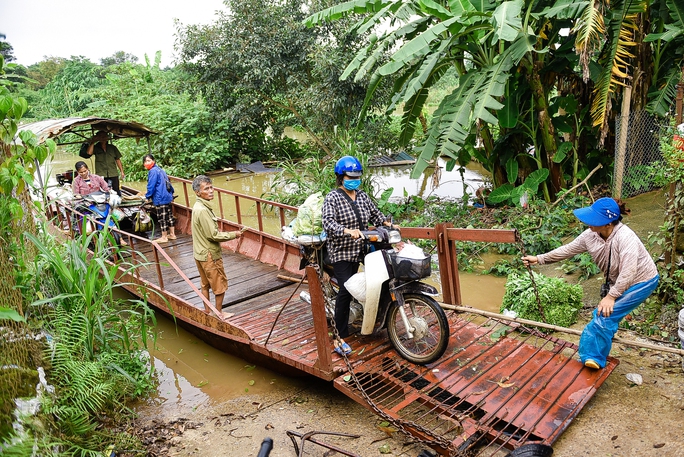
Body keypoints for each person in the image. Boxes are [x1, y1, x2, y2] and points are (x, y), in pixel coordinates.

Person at [522, 197, 659, 370]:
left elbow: (629, 272)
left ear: (609, 223)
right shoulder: (591, 235)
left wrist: (611, 296)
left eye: (594, 220)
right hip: (621, 281)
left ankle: (594, 358)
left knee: (604, 314)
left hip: (642, 281)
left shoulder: (625, 238)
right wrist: (539, 259)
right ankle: (597, 351)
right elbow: (568, 249)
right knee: (605, 314)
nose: (588, 223)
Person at [321, 156, 395, 356]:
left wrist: (387, 223)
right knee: (347, 289)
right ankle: (340, 336)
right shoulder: (332, 198)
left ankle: (380, 318)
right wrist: (346, 230)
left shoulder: (362, 196)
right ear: (340, 177)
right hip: (342, 252)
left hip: (362, 248)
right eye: (350, 176)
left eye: (357, 176)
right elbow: (328, 223)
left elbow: (375, 214)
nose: (354, 180)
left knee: (385, 274)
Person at [191, 175, 245, 312]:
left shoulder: (198, 206)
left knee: (205, 284)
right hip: (209, 255)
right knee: (219, 285)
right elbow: (213, 235)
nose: (211, 191)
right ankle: (219, 314)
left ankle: (208, 312)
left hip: (199, 253)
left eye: (211, 187)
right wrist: (235, 234)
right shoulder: (203, 210)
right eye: (206, 189)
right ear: (198, 192)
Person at [142, 154, 176, 243]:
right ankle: (172, 234)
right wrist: (171, 193)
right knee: (169, 216)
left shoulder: (153, 171)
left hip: (160, 197)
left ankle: (164, 237)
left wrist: (147, 196)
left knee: (162, 217)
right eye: (145, 161)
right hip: (167, 196)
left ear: (153, 161)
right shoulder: (160, 170)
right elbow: (168, 183)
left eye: (149, 161)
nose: (147, 163)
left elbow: (151, 186)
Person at [85, 130, 125, 194]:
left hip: (113, 172)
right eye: (100, 137)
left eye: (104, 136)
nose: (103, 138)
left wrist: (122, 171)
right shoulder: (95, 148)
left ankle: (116, 200)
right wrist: (93, 142)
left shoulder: (112, 148)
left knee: (116, 189)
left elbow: (118, 159)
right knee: (103, 190)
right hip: (101, 174)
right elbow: (89, 153)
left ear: (107, 137)